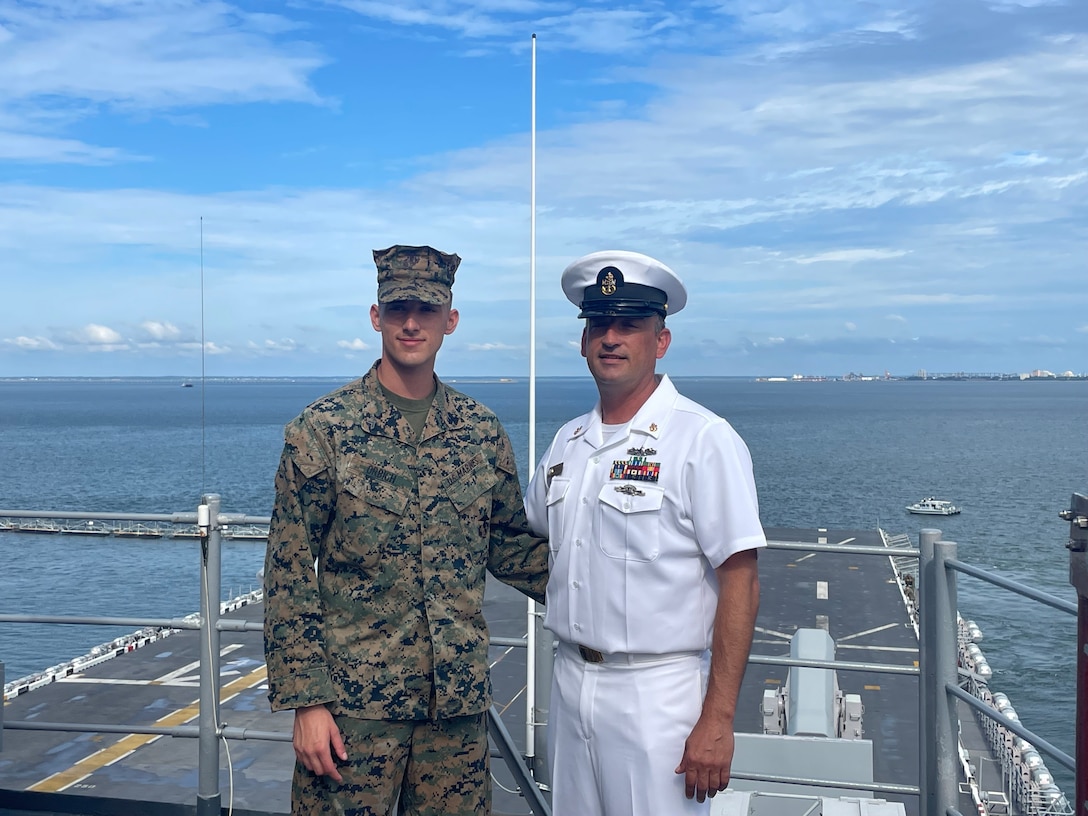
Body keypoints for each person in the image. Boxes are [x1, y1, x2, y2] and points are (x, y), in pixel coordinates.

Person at [263, 244, 549, 816]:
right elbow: (288, 572)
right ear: (376, 317)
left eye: (427, 310)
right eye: (397, 310)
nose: (411, 323)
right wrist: (306, 702)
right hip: (352, 713)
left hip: (456, 715)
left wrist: (627, 569)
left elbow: (512, 545)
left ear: (451, 321)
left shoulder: (480, 431)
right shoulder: (323, 431)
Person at [525, 249, 765, 816]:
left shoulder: (702, 439)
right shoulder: (568, 443)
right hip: (568, 681)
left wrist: (718, 721)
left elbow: (741, 581)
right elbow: (531, 530)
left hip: (655, 693)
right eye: (599, 325)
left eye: (629, 325)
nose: (612, 338)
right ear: (583, 342)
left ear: (660, 341)